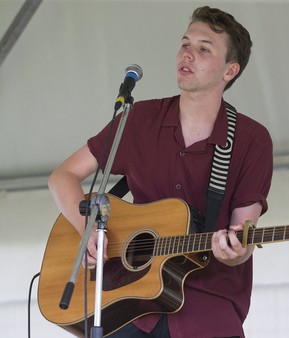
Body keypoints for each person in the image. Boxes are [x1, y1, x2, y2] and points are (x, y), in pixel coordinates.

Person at [48, 6, 273, 338]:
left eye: (203, 48)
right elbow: (62, 176)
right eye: (185, 43)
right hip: (128, 302)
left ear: (230, 70)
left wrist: (238, 250)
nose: (188, 53)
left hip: (208, 304)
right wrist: (88, 232)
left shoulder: (250, 140)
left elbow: (244, 230)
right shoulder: (138, 120)